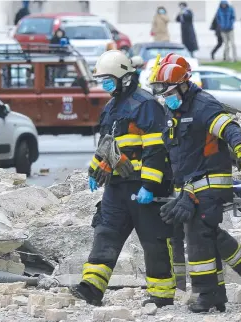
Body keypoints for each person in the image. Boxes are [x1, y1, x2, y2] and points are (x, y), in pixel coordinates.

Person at [150, 59, 241, 313]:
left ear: (184, 85)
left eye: (169, 93)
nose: (166, 98)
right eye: (163, 94)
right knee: (206, 232)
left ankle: (206, 293)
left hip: (211, 182)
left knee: (199, 233)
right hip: (188, 186)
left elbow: (229, 128)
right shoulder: (172, 111)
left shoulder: (203, 105)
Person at [71, 50, 176, 308]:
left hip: (144, 187)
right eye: (103, 80)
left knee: (154, 241)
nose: (105, 84)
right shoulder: (112, 107)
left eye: (109, 79)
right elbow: (108, 145)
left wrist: (150, 186)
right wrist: (95, 170)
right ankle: (92, 288)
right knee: (106, 231)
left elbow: (156, 149)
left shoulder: (146, 105)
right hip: (118, 186)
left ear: (124, 78)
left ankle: (162, 295)